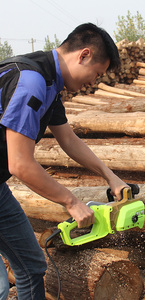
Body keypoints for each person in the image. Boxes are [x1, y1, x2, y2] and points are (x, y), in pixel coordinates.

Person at [0, 23, 127, 299]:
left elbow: (68, 140)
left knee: (31, 265)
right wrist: (71, 201)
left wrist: (110, 176)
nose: (94, 82)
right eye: (96, 73)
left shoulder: (49, 83)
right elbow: (19, 164)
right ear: (83, 55)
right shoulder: (31, 81)